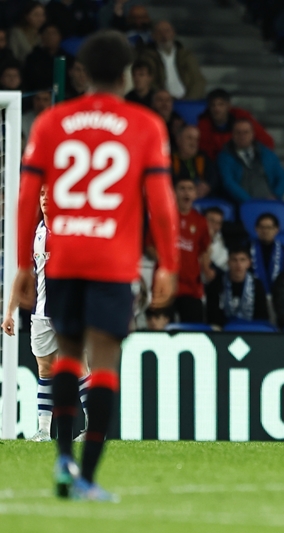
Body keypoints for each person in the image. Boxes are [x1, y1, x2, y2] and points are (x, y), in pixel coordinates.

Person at [15, 30, 179, 501]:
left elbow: (28, 197)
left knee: (65, 359)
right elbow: (161, 201)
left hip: (64, 256)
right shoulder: (144, 124)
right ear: (127, 74)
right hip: (112, 259)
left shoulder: (51, 121)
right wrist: (167, 262)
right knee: (103, 362)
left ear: (82, 72)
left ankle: (63, 460)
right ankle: (87, 476)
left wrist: (25, 264)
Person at [2, 186, 90, 443]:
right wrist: (9, 312)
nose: (45, 198)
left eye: (50, 192)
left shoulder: (71, 231)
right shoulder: (35, 235)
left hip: (69, 311)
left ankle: (91, 427)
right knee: (44, 369)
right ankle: (43, 430)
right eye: (41, 193)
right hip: (41, 314)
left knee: (79, 365)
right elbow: (23, 275)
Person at [218, 119, 284, 204]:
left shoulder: (267, 154)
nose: (242, 136)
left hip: (269, 202)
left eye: (246, 132)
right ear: (232, 135)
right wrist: (249, 202)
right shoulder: (224, 157)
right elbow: (228, 182)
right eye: (238, 132)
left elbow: (282, 177)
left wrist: (276, 196)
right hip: (240, 204)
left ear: (252, 134)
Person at [170, 177, 212, 322]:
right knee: (161, 329)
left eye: (190, 189)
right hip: (167, 285)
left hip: (191, 287)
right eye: (182, 188)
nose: (186, 193)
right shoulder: (164, 216)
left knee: (194, 330)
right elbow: (151, 246)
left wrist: (206, 268)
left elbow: (205, 248)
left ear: (195, 194)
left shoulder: (200, 221)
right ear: (173, 192)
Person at [197, 88, 275, 159]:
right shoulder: (203, 125)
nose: (217, 109)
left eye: (221, 104)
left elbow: (267, 142)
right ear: (209, 107)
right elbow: (204, 151)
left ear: (228, 105)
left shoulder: (242, 118)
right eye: (213, 105)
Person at [138, 20, 206, 100]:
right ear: (153, 36)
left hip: (187, 101)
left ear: (174, 33)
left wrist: (189, 100)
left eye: (167, 31)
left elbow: (198, 80)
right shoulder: (147, 57)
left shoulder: (186, 55)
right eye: (159, 32)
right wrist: (164, 99)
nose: (164, 35)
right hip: (160, 102)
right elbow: (149, 83)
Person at [206, 247, 269, 328]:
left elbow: (262, 316)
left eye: (242, 260)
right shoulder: (216, 284)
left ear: (249, 263)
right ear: (228, 262)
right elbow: (212, 316)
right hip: (223, 331)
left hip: (251, 330)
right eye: (234, 260)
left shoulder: (257, 285)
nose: (238, 265)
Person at [252, 213, 284, 294]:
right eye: (262, 227)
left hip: (279, 296)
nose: (265, 231)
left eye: (269, 227)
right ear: (256, 229)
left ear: (276, 229)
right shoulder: (247, 250)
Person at [172, 125, 218, 198]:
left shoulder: (202, 157)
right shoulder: (169, 159)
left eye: (196, 139)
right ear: (178, 140)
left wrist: (208, 185)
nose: (193, 143)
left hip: (202, 198)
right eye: (189, 138)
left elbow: (214, 176)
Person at [22, 23, 68, 92]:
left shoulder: (67, 58)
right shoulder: (33, 58)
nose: (50, 37)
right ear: (41, 36)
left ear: (60, 36)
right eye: (47, 33)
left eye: (53, 33)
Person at [204, 207, 228, 272]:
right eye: (211, 221)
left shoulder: (221, 237)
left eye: (218, 223)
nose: (214, 226)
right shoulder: (192, 238)